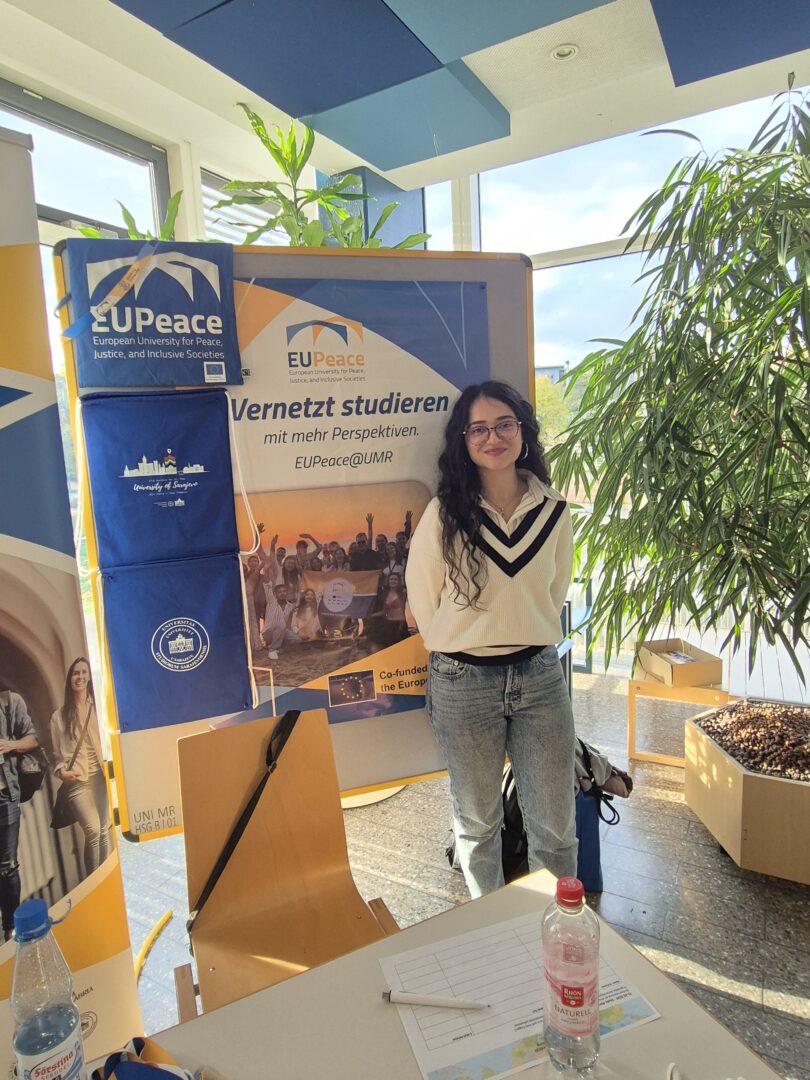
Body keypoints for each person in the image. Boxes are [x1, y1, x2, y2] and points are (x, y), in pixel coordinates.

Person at [406, 380, 576, 898]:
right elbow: (422, 598)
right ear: (463, 440)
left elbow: (556, 589)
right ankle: (492, 926)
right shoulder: (444, 515)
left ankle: (557, 927)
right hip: (463, 682)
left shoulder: (553, 512)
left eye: (505, 424)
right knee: (477, 823)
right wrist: (459, 646)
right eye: (478, 428)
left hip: (540, 679)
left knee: (554, 827)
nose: (492, 437)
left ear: (523, 431)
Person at [50, 658, 111, 876]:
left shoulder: (98, 707)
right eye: (76, 673)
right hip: (77, 781)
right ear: (70, 679)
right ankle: (93, 880)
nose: (80, 677)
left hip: (100, 777)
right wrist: (61, 772)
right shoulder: (58, 717)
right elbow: (56, 754)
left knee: (104, 830)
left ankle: (105, 878)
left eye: (84, 672)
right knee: (93, 830)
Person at [0, 688, 40, 940]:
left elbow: (32, 739)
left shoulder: (8, 701)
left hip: (4, 795)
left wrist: (9, 745)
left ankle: (10, 930)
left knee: (7, 867)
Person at [262, 583, 301, 658]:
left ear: (287, 593)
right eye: (279, 592)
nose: (282, 594)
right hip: (268, 633)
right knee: (281, 624)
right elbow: (267, 585)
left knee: (297, 639)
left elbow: (298, 608)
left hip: (282, 631)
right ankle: (272, 650)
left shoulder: (290, 606)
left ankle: (278, 647)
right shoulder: (271, 602)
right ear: (275, 594)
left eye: (284, 591)